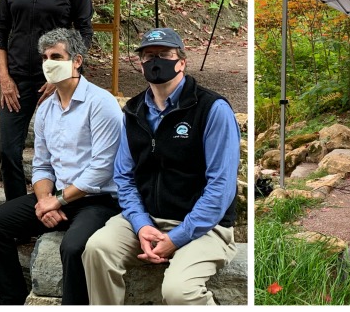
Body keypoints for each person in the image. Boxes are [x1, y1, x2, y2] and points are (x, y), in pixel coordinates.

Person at [82, 28, 240, 306]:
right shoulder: (133, 111)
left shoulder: (212, 109)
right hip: (148, 218)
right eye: (148, 56)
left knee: (179, 291)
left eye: (164, 55)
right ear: (141, 64)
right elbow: (124, 177)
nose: (155, 61)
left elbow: (221, 188)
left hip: (204, 226)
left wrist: (177, 237)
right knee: (97, 249)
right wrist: (141, 225)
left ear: (181, 61)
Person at [0, 28, 122, 305]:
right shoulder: (46, 109)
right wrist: (44, 200)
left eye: (56, 56)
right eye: (44, 57)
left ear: (77, 61)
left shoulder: (101, 103)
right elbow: (42, 165)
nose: (48, 62)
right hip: (58, 196)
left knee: (73, 246)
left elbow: (103, 169)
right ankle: (12, 299)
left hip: (98, 199)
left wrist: (56, 201)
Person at [0, 0, 94, 201]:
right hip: (16, 77)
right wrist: (4, 77)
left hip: (58, 79)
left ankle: (60, 206)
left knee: (62, 148)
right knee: (8, 150)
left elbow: (84, 31)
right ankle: (15, 210)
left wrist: (63, 74)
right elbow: (1, 29)